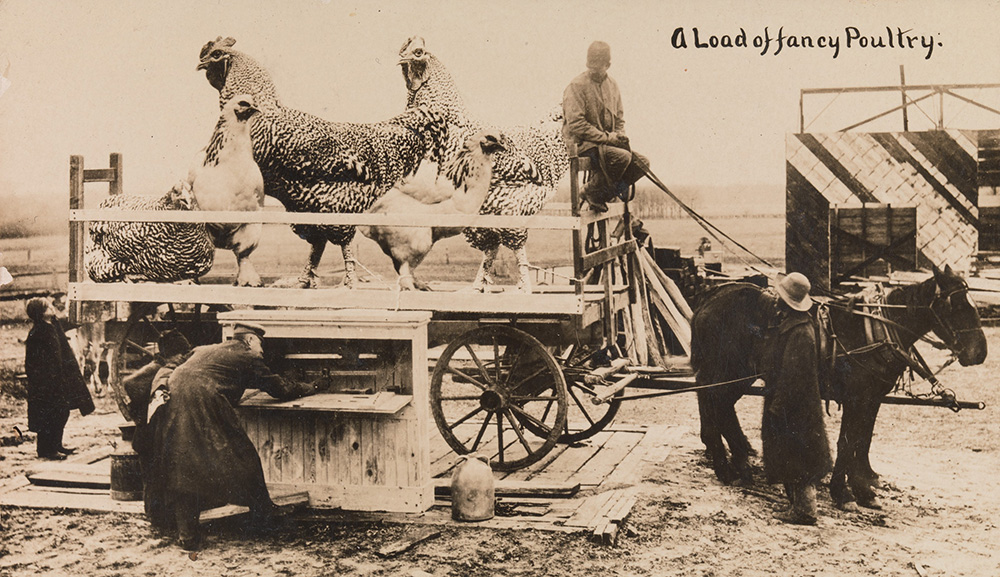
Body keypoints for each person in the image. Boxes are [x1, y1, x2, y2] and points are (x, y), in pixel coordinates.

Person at [141, 322, 328, 551]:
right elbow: (281, 389)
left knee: (185, 466)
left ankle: (187, 535)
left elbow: (170, 367)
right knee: (242, 456)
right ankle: (263, 517)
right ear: (249, 340)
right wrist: (314, 385)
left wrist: (161, 385)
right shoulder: (248, 357)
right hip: (203, 404)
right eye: (261, 344)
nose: (262, 351)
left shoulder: (204, 350)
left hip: (175, 400)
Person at [760, 272, 832, 525]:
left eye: (780, 297)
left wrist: (779, 407)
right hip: (792, 403)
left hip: (796, 407)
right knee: (791, 453)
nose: (776, 301)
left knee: (800, 455)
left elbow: (793, 375)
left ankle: (805, 511)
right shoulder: (792, 323)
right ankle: (798, 506)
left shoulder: (801, 332)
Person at [562, 41, 651, 212]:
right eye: (590, 66)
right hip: (581, 144)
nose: (593, 70)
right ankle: (591, 192)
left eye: (598, 66)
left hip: (605, 145)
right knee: (622, 157)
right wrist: (609, 138)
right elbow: (576, 124)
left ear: (608, 65)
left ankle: (601, 193)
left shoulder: (613, 85)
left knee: (642, 163)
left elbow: (619, 119)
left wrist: (620, 136)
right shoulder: (576, 86)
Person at [23, 297, 95, 460]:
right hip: (46, 382)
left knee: (60, 412)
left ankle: (55, 445)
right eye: (48, 307)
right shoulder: (38, 333)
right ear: (41, 313)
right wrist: (46, 380)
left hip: (56, 379)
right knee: (50, 414)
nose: (52, 308)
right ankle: (46, 450)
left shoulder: (52, 326)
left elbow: (68, 324)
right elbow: (34, 362)